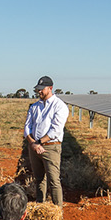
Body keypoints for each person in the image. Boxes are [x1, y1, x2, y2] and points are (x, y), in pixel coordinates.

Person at [22, 76, 68, 206]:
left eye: (42, 89)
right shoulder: (34, 107)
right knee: (39, 179)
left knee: (54, 181)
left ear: (50, 88)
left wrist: (39, 142)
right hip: (35, 147)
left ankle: (57, 212)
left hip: (50, 147)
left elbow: (56, 130)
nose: (39, 92)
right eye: (38, 90)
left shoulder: (59, 106)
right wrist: (32, 143)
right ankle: (40, 207)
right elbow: (27, 127)